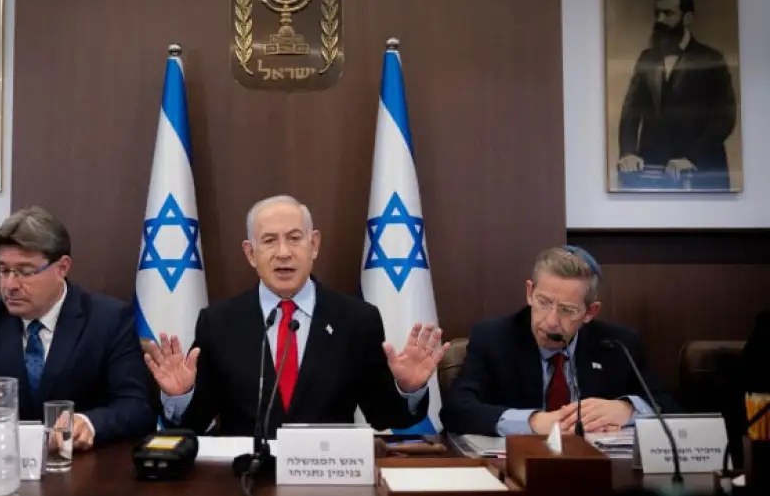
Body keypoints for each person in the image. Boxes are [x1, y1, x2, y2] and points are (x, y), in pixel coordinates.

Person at [144, 195, 448, 437]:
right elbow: (195, 422)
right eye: (269, 241)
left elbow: (384, 417)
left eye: (294, 238)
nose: (283, 252)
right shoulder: (218, 322)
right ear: (250, 253)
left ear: (313, 244)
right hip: (246, 477)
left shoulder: (357, 319)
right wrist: (180, 397)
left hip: (327, 476)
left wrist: (408, 389)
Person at [0, 206, 155, 450]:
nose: (10, 284)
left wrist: (89, 422)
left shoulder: (108, 319)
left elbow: (136, 406)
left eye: (25, 271)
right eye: (3, 270)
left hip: (80, 470)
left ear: (62, 268)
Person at [440, 245, 678, 436]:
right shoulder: (494, 337)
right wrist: (534, 422)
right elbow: (455, 410)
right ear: (529, 293)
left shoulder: (617, 344)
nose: (551, 321)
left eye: (566, 309)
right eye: (543, 302)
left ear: (589, 313)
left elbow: (670, 407)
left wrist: (626, 409)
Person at [616, 0, 737, 191]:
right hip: (653, 170)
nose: (660, 19)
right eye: (657, 13)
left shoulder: (711, 58)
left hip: (701, 171)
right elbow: (631, 109)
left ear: (688, 17)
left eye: (668, 13)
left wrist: (691, 158)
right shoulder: (647, 58)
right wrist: (628, 152)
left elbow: (724, 117)